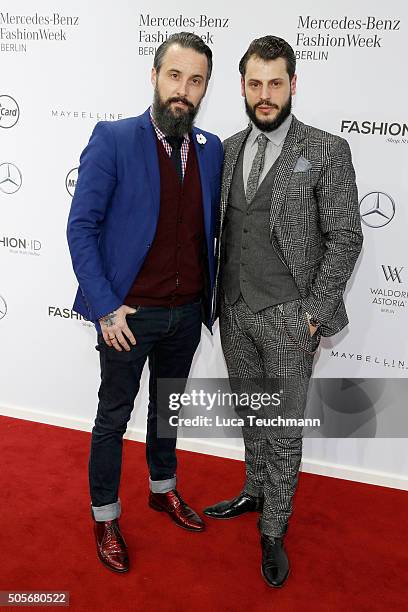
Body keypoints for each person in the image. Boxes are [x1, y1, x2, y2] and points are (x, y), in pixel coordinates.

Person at [204, 35, 363, 587]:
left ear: (293, 84)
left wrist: (314, 314)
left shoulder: (325, 150)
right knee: (252, 412)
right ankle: (254, 489)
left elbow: (346, 236)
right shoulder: (223, 150)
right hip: (236, 311)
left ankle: (274, 528)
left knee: (284, 427)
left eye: (275, 83)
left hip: (292, 317)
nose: (265, 95)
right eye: (255, 84)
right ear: (242, 87)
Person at [67, 32, 223, 573]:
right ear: (154, 77)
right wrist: (107, 307)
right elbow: (81, 228)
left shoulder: (212, 148)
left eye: (195, 80)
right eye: (174, 76)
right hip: (128, 317)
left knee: (166, 413)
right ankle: (106, 516)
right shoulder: (112, 139)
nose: (183, 89)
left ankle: (162, 489)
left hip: (186, 313)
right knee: (113, 418)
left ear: (206, 88)